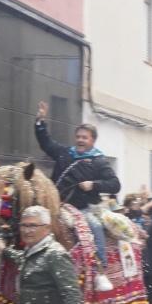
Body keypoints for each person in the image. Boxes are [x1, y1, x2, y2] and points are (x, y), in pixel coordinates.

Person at [34, 100, 120, 291]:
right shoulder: (65, 153)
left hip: (83, 209)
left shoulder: (99, 162)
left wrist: (94, 185)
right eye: (78, 136)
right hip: (58, 206)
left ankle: (101, 270)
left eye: (85, 137)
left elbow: (115, 185)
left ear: (93, 140)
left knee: (95, 226)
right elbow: (46, 143)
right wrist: (41, 120)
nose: (80, 140)